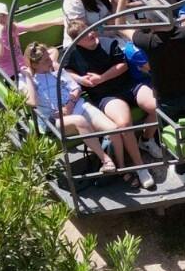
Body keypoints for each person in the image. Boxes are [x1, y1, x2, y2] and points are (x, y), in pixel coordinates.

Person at [60, 22, 156, 189]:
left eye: (91, 31)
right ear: (77, 41)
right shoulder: (72, 53)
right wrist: (80, 79)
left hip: (129, 86)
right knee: (124, 124)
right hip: (107, 95)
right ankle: (140, 167)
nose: (91, 35)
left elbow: (123, 65)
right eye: (85, 35)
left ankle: (146, 139)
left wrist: (101, 78)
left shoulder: (107, 43)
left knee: (156, 106)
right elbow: (64, 70)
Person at [21, 42, 116, 173]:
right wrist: (29, 78)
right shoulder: (25, 79)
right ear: (35, 64)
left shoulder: (55, 68)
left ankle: (122, 167)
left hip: (75, 106)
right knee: (80, 121)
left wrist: (70, 105)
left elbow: (76, 87)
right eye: (45, 61)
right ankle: (106, 160)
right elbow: (32, 102)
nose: (50, 61)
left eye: (49, 57)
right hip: (53, 119)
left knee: (114, 129)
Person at [0, 2, 31, 80]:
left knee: (53, 52)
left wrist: (54, 22)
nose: (1, 19)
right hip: (10, 73)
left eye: (3, 15)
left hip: (24, 67)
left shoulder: (13, 27)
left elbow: (33, 27)